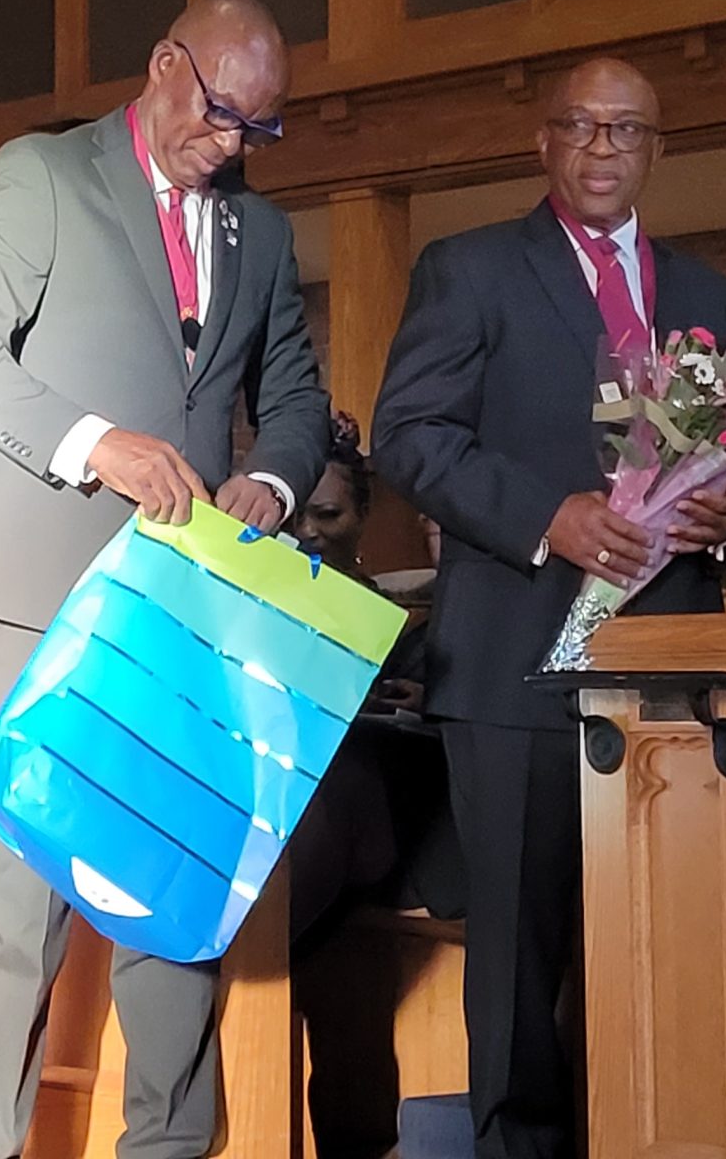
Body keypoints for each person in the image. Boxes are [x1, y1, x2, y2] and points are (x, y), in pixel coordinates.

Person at [0, 0, 330, 1159]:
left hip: (186, 594)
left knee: (172, 887)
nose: (229, 143)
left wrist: (271, 481)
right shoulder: (46, 175)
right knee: (22, 897)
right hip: (39, 579)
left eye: (257, 128)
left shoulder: (262, 235)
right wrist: (94, 443)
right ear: (163, 65)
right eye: (219, 112)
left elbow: (295, 401)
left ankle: (170, 1146)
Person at [373, 57, 726, 1159]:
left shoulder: (711, 297)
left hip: (673, 665)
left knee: (667, 944)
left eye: (626, 129)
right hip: (513, 666)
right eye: (580, 126)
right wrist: (544, 515)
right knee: (519, 961)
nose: (603, 147)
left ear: (658, 149)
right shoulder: (469, 269)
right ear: (543, 142)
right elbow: (408, 436)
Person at [284, 415, 460, 1159]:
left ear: (361, 516)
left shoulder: (393, 616)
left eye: (328, 514)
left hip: (379, 818)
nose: (309, 532)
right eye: (297, 514)